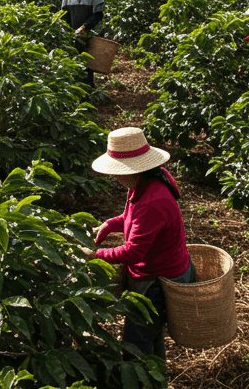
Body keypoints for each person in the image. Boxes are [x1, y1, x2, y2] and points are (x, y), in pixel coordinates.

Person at [87, 127, 194, 360]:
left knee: (135, 344)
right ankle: (157, 381)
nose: (114, 177)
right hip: (159, 271)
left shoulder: (153, 200)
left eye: (117, 172)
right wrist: (109, 224)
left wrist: (94, 255)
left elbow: (134, 251)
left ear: (133, 169)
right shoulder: (147, 181)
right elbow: (132, 217)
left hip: (158, 281)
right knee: (150, 336)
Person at [61, 0, 106, 87]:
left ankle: (89, 88)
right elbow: (64, 15)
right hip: (73, 33)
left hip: (90, 32)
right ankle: (76, 86)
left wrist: (85, 27)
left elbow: (98, 14)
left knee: (87, 62)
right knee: (73, 59)